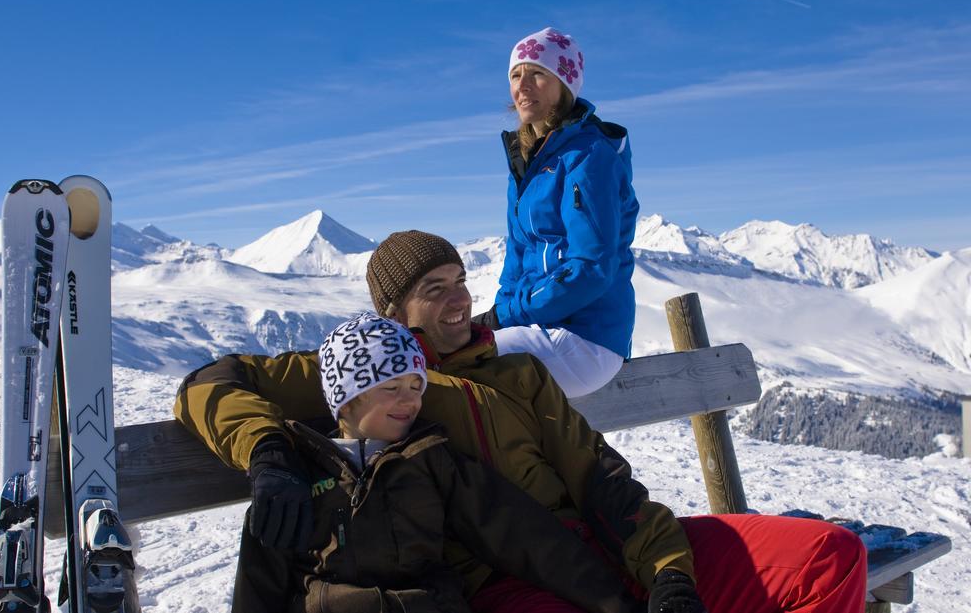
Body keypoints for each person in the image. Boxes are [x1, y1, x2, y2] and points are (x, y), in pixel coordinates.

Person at [174, 229, 868, 613]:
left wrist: (668, 573)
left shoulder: (516, 370)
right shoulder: (371, 372)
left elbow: (605, 482)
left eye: (460, 280)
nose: (458, 302)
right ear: (394, 312)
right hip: (508, 583)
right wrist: (267, 455)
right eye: (432, 289)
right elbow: (208, 384)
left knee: (830, 559)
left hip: (607, 555)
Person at [260, 311, 636, 612]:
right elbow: (261, 582)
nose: (410, 402)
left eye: (416, 387)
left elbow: (520, 534)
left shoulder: (430, 459)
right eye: (392, 388)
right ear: (347, 399)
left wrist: (615, 602)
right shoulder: (299, 474)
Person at [477, 27, 639, 398]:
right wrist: (498, 316)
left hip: (588, 337)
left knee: (458, 371)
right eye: (516, 75)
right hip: (544, 327)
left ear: (564, 85)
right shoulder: (526, 163)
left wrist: (506, 317)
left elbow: (591, 268)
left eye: (538, 73)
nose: (523, 86)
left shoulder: (588, 156)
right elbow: (518, 257)